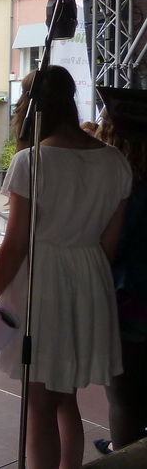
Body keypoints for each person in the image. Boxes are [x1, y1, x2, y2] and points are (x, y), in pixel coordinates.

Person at [0, 67, 130, 469]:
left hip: (42, 283)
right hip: (89, 278)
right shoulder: (115, 161)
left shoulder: (32, 160)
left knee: (39, 403)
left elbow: (13, 245)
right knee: (65, 397)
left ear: (32, 107)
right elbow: (108, 247)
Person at [94, 111, 147, 456]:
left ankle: (125, 454)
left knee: (124, 397)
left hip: (131, 301)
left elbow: (111, 249)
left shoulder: (125, 189)